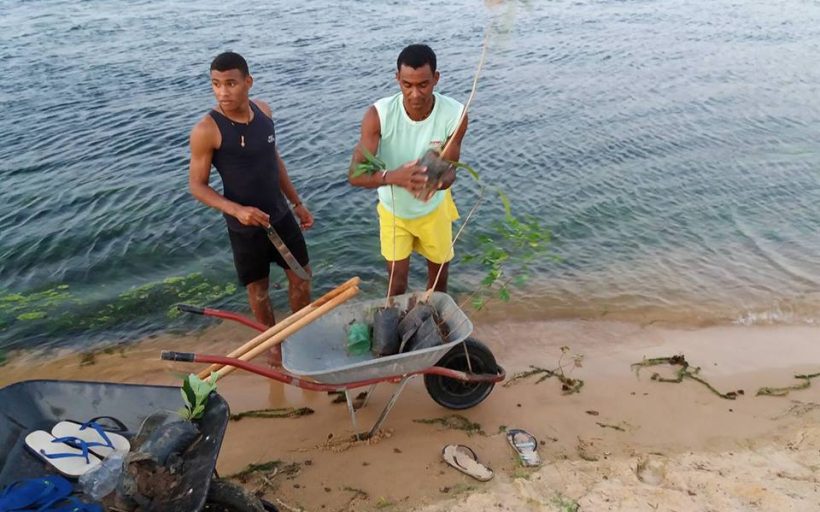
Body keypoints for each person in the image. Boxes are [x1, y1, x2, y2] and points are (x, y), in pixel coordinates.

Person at [189, 51, 313, 335]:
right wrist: (237, 210)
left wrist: (297, 203)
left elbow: (274, 160)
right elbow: (197, 185)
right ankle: (272, 346)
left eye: (230, 83)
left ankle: (302, 335)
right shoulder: (206, 130)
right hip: (244, 227)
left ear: (248, 82)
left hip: (280, 215)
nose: (222, 92)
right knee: (259, 291)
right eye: (216, 84)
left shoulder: (264, 111)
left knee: (302, 277)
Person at [348, 44, 468, 296]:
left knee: (438, 284)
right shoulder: (378, 115)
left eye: (423, 84)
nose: (415, 94)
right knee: (396, 282)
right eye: (407, 85)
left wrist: (437, 182)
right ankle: (396, 332)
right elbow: (355, 175)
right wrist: (393, 177)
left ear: (436, 78)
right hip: (394, 211)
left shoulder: (455, 114)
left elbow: (451, 171)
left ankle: (433, 328)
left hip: (434, 210)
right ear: (397, 79)